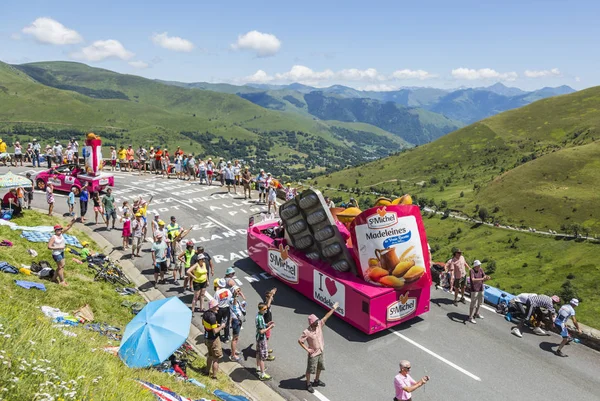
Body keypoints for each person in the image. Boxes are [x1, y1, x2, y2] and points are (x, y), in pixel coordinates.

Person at [298, 301, 339, 393]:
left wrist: (333, 308)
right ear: (312, 323)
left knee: (320, 366)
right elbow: (300, 341)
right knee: (309, 370)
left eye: (317, 321)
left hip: (320, 351)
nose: (318, 322)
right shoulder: (307, 332)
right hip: (313, 354)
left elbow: (326, 316)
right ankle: (308, 384)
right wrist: (307, 349)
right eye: (316, 321)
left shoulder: (319, 325)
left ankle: (316, 380)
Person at [47, 220, 75, 286]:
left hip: (61, 252)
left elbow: (68, 226)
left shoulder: (62, 234)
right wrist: (59, 247)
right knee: (60, 267)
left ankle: (53, 278)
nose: (59, 230)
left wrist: (74, 220)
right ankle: (62, 281)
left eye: (60, 229)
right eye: (57, 229)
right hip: (56, 254)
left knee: (62, 266)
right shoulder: (53, 237)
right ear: (55, 230)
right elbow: (49, 246)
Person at [202, 299, 225, 380]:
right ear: (212, 307)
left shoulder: (205, 314)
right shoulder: (212, 317)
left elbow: (206, 324)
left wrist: (216, 324)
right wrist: (221, 326)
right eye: (216, 307)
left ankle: (206, 371)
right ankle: (214, 377)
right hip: (213, 339)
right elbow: (215, 331)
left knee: (210, 355)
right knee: (216, 358)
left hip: (207, 337)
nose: (218, 308)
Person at [256, 302, 275, 381]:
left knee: (258, 353)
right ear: (260, 309)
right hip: (261, 338)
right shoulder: (260, 318)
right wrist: (269, 327)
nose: (266, 310)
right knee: (262, 357)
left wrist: (267, 324)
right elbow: (261, 331)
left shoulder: (259, 316)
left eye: (266, 308)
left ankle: (258, 368)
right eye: (264, 309)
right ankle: (262, 374)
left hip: (258, 338)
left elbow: (262, 325)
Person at [229, 287, 245, 362]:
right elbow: (234, 304)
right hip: (235, 320)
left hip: (238, 320)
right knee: (234, 339)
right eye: (237, 290)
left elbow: (237, 306)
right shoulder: (232, 299)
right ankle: (233, 355)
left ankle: (234, 350)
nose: (239, 292)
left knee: (236, 338)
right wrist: (235, 296)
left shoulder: (235, 299)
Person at [263, 288, 277, 353]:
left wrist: (272, 293)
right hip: (266, 324)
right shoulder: (265, 305)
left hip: (268, 322)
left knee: (267, 338)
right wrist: (271, 296)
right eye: (268, 297)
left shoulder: (267, 302)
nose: (270, 298)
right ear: (266, 297)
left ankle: (265, 348)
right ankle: (265, 351)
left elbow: (269, 302)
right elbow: (268, 306)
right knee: (266, 338)